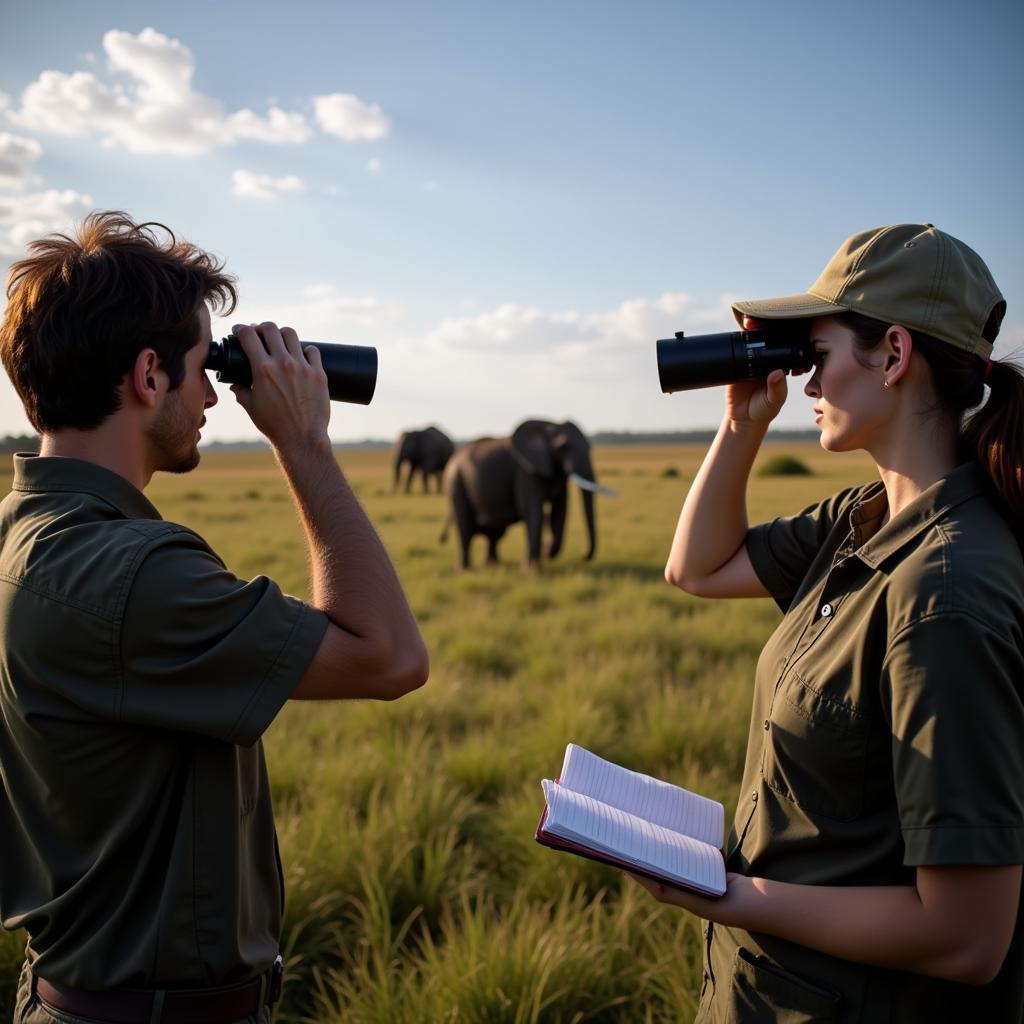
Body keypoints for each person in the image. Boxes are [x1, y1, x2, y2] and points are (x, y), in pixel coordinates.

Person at [0, 211, 429, 1023]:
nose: (214, 396)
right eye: (207, 365)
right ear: (148, 375)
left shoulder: (21, 532)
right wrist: (304, 442)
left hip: (70, 990)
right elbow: (391, 659)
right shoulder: (129, 571)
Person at [636, 223, 1024, 1021]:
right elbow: (698, 569)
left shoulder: (943, 594)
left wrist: (733, 897)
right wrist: (744, 420)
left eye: (816, 356)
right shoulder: (866, 518)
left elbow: (965, 937)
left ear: (892, 353)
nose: (807, 383)